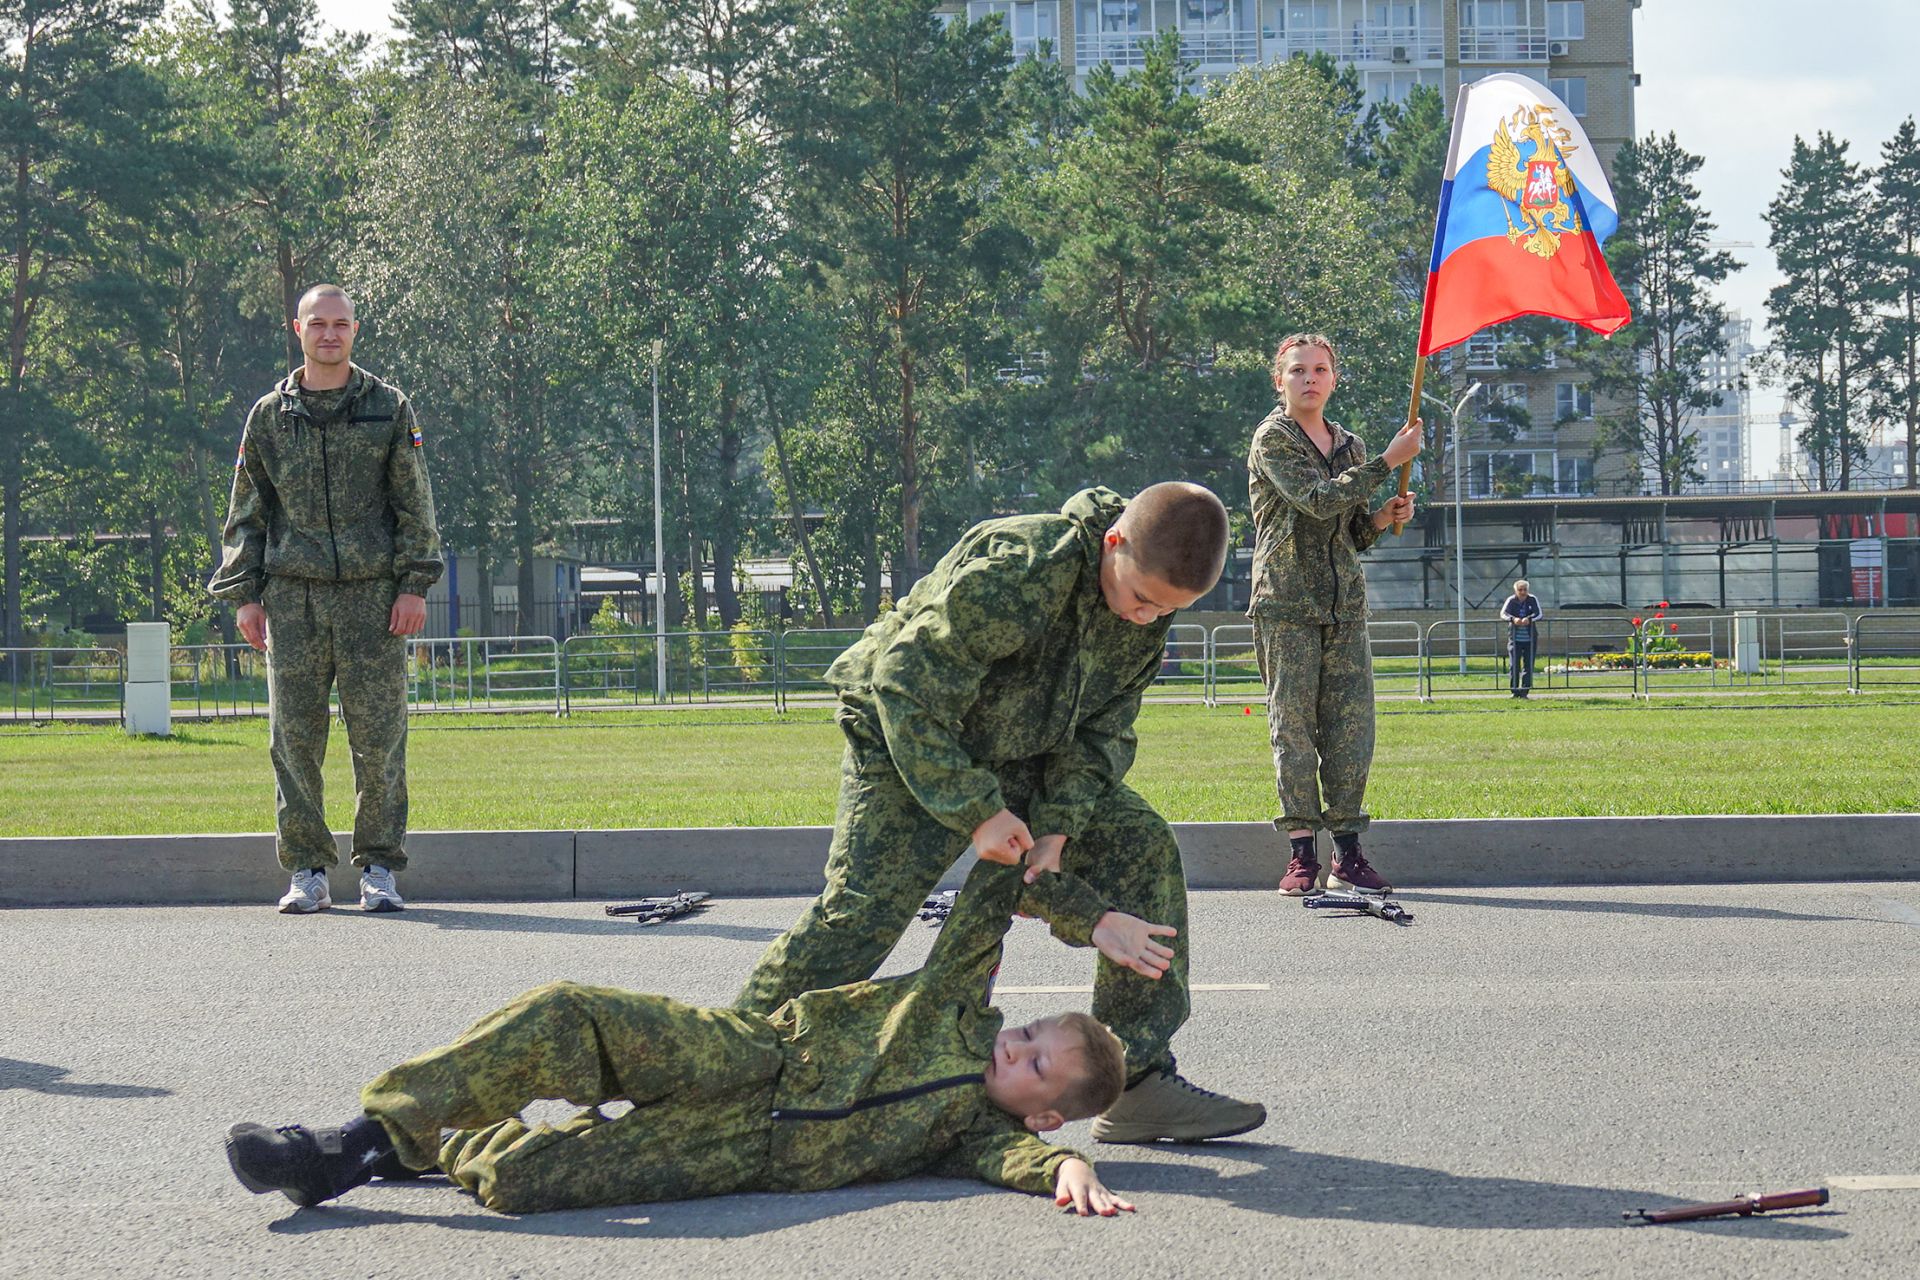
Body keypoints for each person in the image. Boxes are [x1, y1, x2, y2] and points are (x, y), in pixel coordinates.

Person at [735, 483, 1265, 1145]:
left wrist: (1058, 826)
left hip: (1026, 750)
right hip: (914, 735)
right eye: (1142, 600)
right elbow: (904, 684)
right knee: (863, 911)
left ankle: (1135, 1077)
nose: (1147, 620)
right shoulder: (1025, 571)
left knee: (1141, 843)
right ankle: (732, 1067)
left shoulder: (1145, 607)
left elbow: (1104, 729)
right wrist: (977, 810)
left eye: (1166, 612)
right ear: (1113, 544)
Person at [224, 860, 1146, 1217]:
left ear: (1043, 1116)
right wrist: (1076, 904)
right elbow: (990, 898)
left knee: (519, 1185)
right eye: (1026, 1032)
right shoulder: (956, 1007)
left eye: (1034, 1068)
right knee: (566, 1013)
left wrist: (1071, 1172)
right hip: (754, 1053)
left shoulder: (975, 1137)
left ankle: (417, 1149)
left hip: (739, 1152)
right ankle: (341, 1144)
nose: (1012, 1052)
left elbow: (1023, 1167)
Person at [208, 284, 442, 914]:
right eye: (319, 324)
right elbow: (247, 512)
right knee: (294, 740)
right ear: (298, 329)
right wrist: (245, 597)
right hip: (294, 599)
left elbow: (413, 504)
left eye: (341, 324)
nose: (330, 334)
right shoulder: (268, 416)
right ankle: (307, 869)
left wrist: (413, 585)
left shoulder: (388, 408)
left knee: (380, 739)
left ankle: (379, 869)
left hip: (373, 599)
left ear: (355, 331)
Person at [1247, 333, 1422, 897]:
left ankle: (1348, 852)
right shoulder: (1273, 439)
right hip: (1286, 604)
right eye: (1298, 371)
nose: (1310, 379)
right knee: (1293, 729)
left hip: (1344, 606)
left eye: (1320, 369)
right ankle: (1302, 854)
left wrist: (1379, 517)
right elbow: (1318, 500)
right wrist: (1385, 464)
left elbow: (1346, 532)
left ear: (1334, 379)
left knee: (1351, 731)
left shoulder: (1350, 445)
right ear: (1280, 381)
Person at [1500, 579, 1543, 697]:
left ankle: (1524, 691)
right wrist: (1513, 619)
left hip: (1530, 639)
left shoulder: (1532, 599)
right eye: (1520, 590)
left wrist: (1528, 619)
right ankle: (1514, 691)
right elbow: (1503, 614)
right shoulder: (1511, 600)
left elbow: (1539, 614)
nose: (1523, 592)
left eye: (1525, 590)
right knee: (1514, 665)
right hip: (1515, 639)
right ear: (1516, 590)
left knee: (1528, 665)